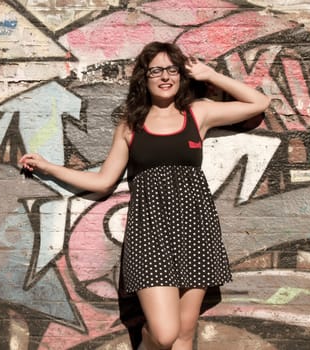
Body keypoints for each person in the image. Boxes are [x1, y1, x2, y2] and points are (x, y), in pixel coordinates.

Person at [19, 41, 270, 350]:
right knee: (164, 334)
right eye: (156, 71)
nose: (165, 77)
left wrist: (209, 75)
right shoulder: (131, 126)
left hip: (196, 230)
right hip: (150, 236)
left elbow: (259, 102)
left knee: (184, 335)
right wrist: (48, 167)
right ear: (145, 77)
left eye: (171, 69)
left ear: (180, 75)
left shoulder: (197, 114)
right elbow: (103, 181)